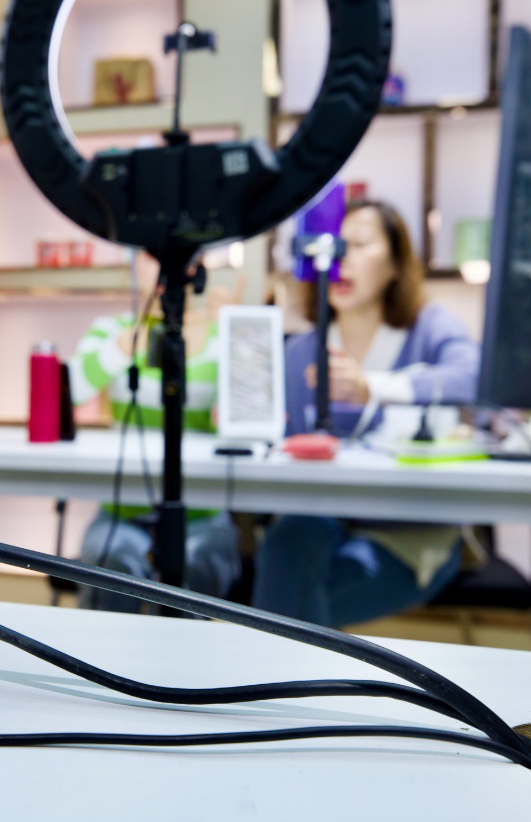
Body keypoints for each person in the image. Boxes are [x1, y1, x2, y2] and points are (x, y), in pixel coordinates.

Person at [253, 199, 481, 628]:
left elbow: (473, 379)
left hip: (409, 532)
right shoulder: (301, 352)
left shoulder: (429, 328)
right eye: (333, 247)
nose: (341, 259)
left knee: (291, 602)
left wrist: (372, 388)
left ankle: (274, 662)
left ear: (395, 264)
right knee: (286, 542)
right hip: (322, 520)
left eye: (358, 245)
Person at [67, 257, 241, 611]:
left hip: (202, 513)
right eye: (151, 256)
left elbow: (250, 420)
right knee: (110, 566)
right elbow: (67, 391)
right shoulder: (112, 329)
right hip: (121, 512)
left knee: (194, 573)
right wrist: (125, 344)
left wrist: (238, 334)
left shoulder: (221, 330)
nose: (164, 265)